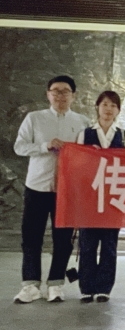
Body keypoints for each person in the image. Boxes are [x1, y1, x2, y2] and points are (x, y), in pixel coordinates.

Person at [13, 76, 90, 303]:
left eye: (65, 91)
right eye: (55, 91)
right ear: (48, 94)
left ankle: (56, 284)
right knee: (31, 237)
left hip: (67, 190)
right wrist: (45, 146)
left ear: (73, 95)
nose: (60, 95)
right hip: (37, 185)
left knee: (63, 239)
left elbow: (89, 155)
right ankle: (30, 284)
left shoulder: (83, 122)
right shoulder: (34, 118)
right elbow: (19, 147)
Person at [76, 91, 125, 303]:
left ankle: (104, 288)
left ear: (118, 110)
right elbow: (77, 165)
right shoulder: (85, 134)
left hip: (114, 197)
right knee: (87, 243)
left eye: (113, 106)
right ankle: (86, 287)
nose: (109, 109)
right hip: (89, 196)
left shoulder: (124, 136)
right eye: (105, 104)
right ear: (97, 107)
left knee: (109, 245)